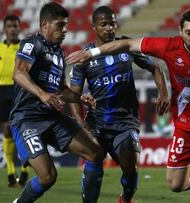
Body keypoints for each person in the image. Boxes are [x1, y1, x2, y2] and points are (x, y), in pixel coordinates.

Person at [66, 8, 190, 203]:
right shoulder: (169, 46)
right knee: (175, 185)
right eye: (189, 32)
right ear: (181, 31)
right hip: (186, 125)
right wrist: (91, 53)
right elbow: (128, 44)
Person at [69, 6, 170, 203]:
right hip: (96, 124)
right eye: (104, 24)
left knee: (131, 169)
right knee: (92, 181)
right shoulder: (84, 57)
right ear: (93, 26)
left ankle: (126, 198)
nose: (109, 28)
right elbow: (74, 95)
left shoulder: (126, 45)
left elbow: (156, 67)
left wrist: (164, 93)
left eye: (112, 24)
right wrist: (82, 125)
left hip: (125, 122)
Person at [9, 2, 105, 203]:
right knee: (47, 177)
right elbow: (18, 72)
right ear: (44, 24)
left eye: (66, 25)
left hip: (51, 116)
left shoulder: (60, 54)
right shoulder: (31, 43)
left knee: (95, 152)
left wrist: (80, 98)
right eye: (60, 25)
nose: (65, 30)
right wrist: (42, 94)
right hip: (27, 119)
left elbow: (61, 90)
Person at [0, 14, 30, 187]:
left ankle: (25, 170)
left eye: (15, 26)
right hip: (3, 90)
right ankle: (11, 173)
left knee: (24, 130)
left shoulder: (24, 47)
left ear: (19, 28)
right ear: (4, 29)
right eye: (9, 26)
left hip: (20, 89)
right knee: (6, 130)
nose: (12, 29)